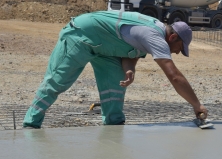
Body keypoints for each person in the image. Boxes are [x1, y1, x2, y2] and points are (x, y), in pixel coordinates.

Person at [23, 11, 208, 128]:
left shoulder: (154, 32)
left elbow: (130, 51)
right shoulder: (155, 36)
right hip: (82, 36)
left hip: (106, 48)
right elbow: (174, 76)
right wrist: (197, 105)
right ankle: (31, 124)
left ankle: (113, 128)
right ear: (173, 37)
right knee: (58, 81)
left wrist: (129, 70)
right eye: (179, 48)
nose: (177, 53)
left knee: (115, 88)